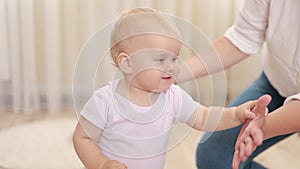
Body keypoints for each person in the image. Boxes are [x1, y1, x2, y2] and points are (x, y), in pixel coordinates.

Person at [72, 8, 268, 169]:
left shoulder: (172, 96)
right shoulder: (105, 100)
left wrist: (235, 114)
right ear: (127, 64)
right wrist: (102, 163)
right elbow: (82, 138)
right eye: (160, 59)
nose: (172, 66)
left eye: (174, 58)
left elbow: (203, 116)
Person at [177, 0, 300, 168]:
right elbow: (243, 37)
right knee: (215, 158)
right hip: (276, 83)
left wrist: (264, 126)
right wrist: (176, 73)